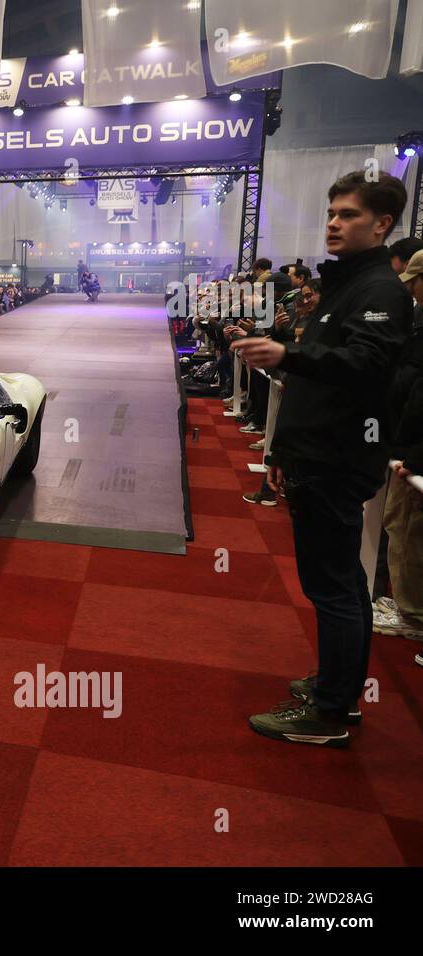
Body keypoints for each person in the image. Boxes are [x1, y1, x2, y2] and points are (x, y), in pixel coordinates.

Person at [234, 171, 413, 747]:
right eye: (332, 211)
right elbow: (319, 377)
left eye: (350, 214)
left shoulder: (380, 292)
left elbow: (363, 366)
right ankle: (336, 689)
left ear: (383, 224)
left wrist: (289, 353)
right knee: (335, 584)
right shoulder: (346, 286)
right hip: (317, 452)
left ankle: (333, 710)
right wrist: (284, 449)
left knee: (335, 587)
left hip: (337, 458)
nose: (334, 222)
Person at [376, 249, 423, 639]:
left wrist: (414, 453)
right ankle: (407, 605)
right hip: (405, 441)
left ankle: (412, 614)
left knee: (409, 530)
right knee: (399, 525)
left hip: (413, 450)